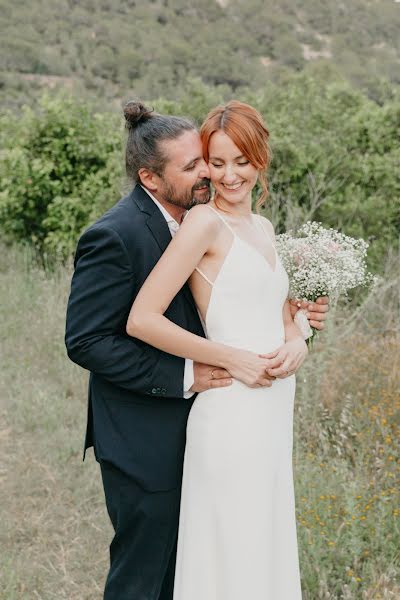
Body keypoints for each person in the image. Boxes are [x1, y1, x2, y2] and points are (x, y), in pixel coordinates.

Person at [65, 101, 329, 600]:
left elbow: (268, 312)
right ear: (150, 177)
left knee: (248, 546)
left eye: (233, 161)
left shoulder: (263, 229)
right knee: (168, 567)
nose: (216, 174)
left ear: (261, 159)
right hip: (158, 426)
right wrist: (216, 362)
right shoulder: (163, 227)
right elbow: (111, 330)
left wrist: (300, 334)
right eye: (204, 164)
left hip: (266, 411)